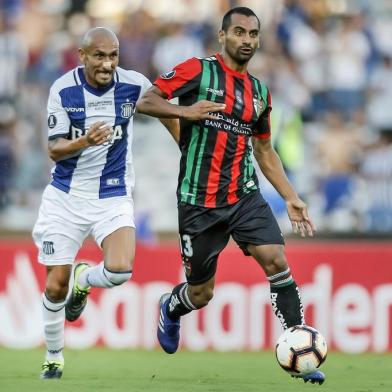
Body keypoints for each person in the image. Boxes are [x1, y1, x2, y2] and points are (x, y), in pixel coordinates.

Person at [137, 7, 324, 385]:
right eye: (239, 32)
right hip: (198, 201)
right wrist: (185, 112)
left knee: (275, 259)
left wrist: (290, 196)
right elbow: (146, 101)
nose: (247, 40)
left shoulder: (259, 93)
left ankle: (301, 350)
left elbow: (265, 151)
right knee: (201, 292)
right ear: (222, 36)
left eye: (253, 34)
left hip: (243, 194)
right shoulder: (196, 70)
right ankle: (171, 306)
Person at [33, 27, 178, 380]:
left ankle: (84, 280)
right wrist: (84, 140)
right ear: (82, 56)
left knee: (120, 270)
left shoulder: (133, 84)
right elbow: (53, 148)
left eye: (113, 55)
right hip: (66, 197)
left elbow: (165, 110)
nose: (107, 63)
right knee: (54, 285)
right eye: (99, 55)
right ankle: (54, 356)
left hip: (112, 195)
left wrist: (185, 146)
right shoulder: (63, 90)